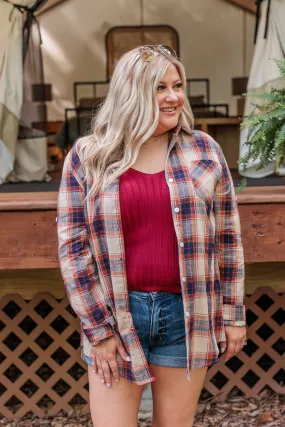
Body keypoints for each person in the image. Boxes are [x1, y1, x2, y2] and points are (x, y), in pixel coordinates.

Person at [57, 45, 247, 427]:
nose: (174, 96)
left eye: (177, 85)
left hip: (187, 314)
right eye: (160, 87)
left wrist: (233, 314)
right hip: (116, 315)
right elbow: (73, 249)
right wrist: (98, 330)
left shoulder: (204, 150)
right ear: (132, 91)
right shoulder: (89, 156)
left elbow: (227, 237)